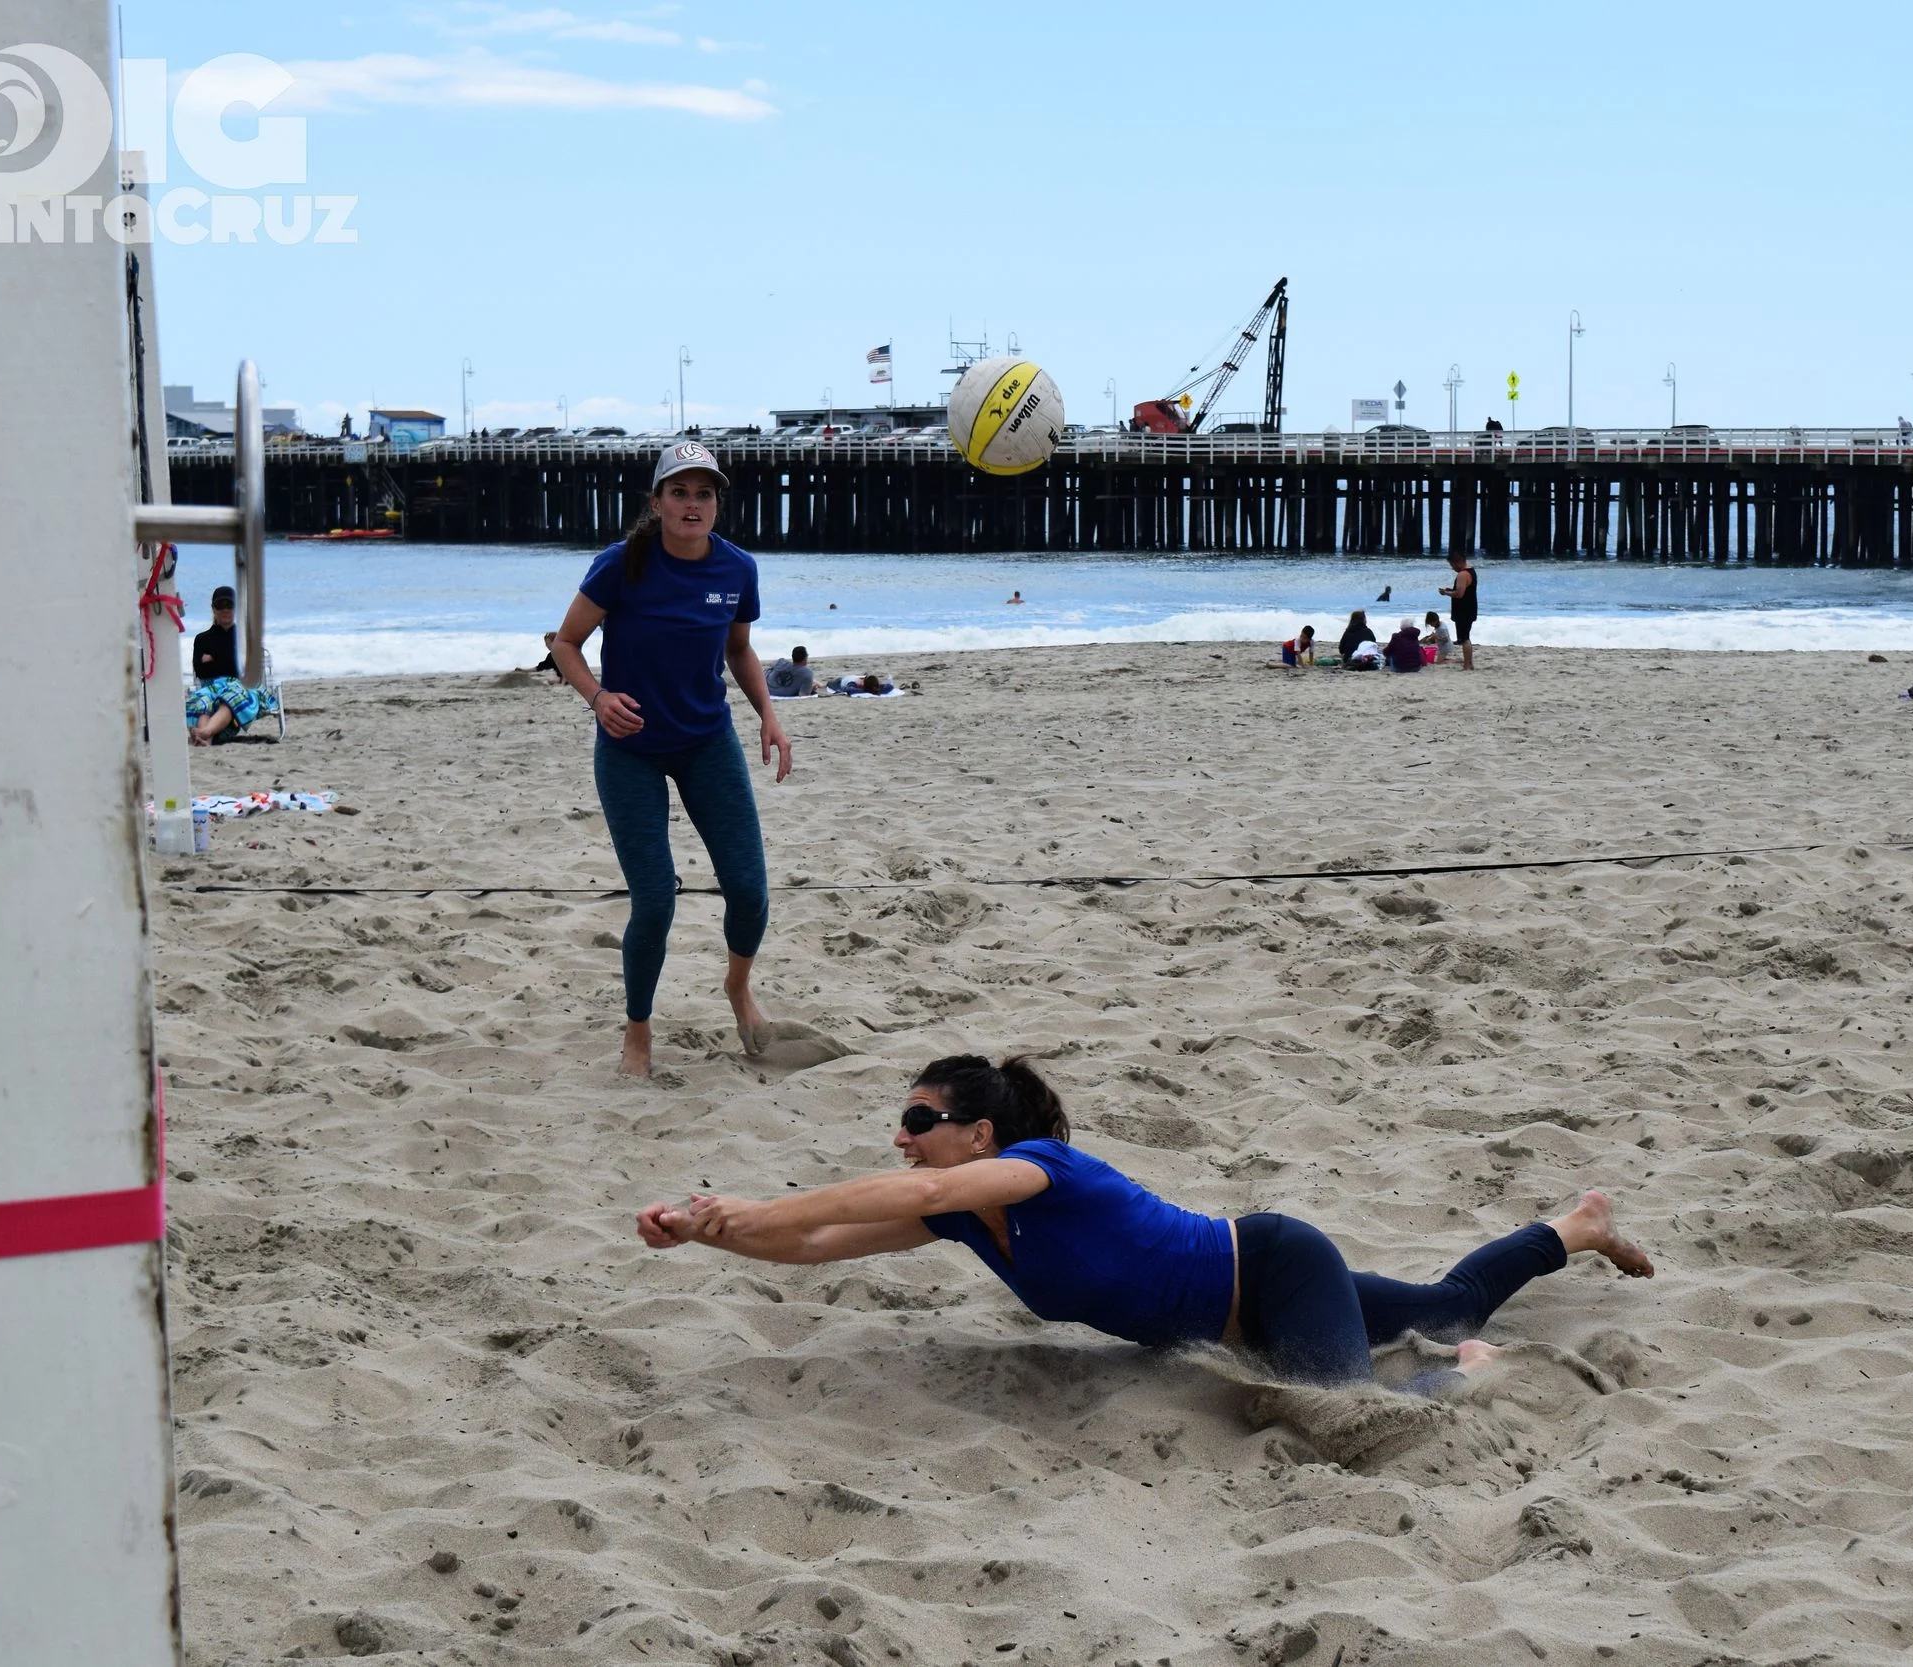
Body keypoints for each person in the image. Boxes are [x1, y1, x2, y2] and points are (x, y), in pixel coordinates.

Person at [636, 1055, 1654, 1395]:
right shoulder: (969, 1222)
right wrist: (708, 1230)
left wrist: (753, 1204)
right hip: (1244, 1310)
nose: (901, 1138)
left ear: (978, 1133)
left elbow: (899, 1198)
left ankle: (1469, 1369)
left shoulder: (1036, 1169)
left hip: (1273, 1264)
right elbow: (815, 1244)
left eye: (918, 1120)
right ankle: (1580, 1223)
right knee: (1445, 1299)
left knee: (1339, 1411)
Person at [549, 441, 792, 1077]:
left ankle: (737, 986)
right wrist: (598, 697)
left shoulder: (736, 569)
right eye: (679, 492)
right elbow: (567, 644)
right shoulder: (619, 565)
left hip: (706, 741)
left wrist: (768, 714)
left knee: (750, 890)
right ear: (656, 503)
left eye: (704, 494)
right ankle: (638, 1031)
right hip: (628, 748)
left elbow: (738, 649)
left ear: (716, 505)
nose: (692, 504)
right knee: (655, 900)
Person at [185, 585, 272, 745]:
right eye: (220, 605)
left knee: (230, 697)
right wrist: (230, 658)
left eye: (229, 605)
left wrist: (214, 659)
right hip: (212, 687)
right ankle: (206, 741)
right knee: (203, 701)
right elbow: (201, 671)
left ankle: (204, 732)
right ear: (213, 609)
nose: (225, 609)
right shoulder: (202, 639)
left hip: (244, 686)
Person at [1440, 553, 1478, 670]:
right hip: (1470, 608)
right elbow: (1464, 590)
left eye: (1452, 565)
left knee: (1464, 638)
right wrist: (1451, 590)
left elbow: (1459, 594)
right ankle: (1469, 663)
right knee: (1465, 637)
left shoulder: (1462, 574)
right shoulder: (1471, 571)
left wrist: (1446, 593)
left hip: (1463, 610)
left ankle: (1467, 665)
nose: (1452, 568)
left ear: (1457, 562)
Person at [826, 672, 897, 696]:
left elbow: (890, 686)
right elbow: (849, 690)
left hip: (855, 677)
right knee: (828, 684)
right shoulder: (853, 683)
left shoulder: (871, 686)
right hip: (840, 681)